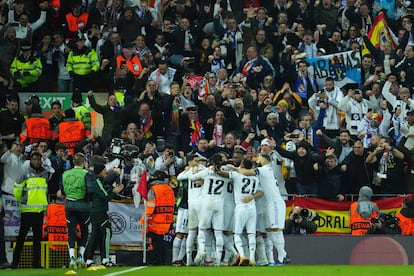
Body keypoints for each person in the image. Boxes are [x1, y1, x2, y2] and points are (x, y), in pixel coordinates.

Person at [216, 158, 263, 266]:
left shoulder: (236, 175)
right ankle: (252, 258)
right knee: (251, 234)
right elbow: (261, 191)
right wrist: (252, 197)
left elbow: (222, 173)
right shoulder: (255, 177)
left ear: (242, 165)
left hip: (240, 206)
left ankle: (242, 256)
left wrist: (219, 166)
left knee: (237, 234)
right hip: (252, 207)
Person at [11, 151, 49, 269]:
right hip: (27, 210)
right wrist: (22, 201)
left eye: (38, 159)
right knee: (21, 238)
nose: (37, 161)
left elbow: (45, 190)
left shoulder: (45, 173)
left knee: (38, 239)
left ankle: (36, 264)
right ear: (31, 160)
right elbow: (17, 190)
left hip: (39, 211)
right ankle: (14, 264)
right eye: (34, 159)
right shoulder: (25, 173)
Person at [84, 155, 123, 267]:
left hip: (96, 210)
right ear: (100, 171)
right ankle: (106, 259)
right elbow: (104, 196)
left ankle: (89, 260)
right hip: (98, 210)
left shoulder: (99, 180)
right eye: (104, 169)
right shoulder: (98, 181)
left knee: (95, 234)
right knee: (107, 231)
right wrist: (115, 192)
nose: (106, 171)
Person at [62, 153, 89, 268]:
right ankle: (81, 256)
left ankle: (72, 258)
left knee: (71, 232)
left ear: (73, 162)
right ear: (83, 163)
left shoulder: (65, 174)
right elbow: (90, 190)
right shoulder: (87, 174)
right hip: (83, 205)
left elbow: (63, 190)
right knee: (85, 231)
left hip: (69, 205)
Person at [142, 170, 175, 266]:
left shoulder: (154, 189)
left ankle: (157, 261)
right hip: (167, 219)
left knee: (156, 242)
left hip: (156, 219)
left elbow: (150, 206)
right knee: (162, 241)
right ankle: (164, 261)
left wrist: (144, 219)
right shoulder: (169, 189)